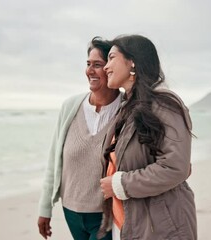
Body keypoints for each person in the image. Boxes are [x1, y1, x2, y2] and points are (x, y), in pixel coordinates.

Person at [98, 34, 197, 239]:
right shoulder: (128, 108)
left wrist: (120, 184)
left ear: (132, 61)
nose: (106, 67)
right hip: (129, 222)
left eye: (112, 58)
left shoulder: (164, 104)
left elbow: (174, 167)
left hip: (160, 226)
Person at [38, 37, 121, 240]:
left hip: (108, 214)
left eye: (98, 65)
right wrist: (45, 207)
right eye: (88, 64)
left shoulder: (127, 110)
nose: (90, 71)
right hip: (71, 211)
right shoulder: (70, 107)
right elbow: (54, 159)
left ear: (110, 68)